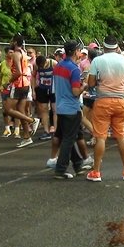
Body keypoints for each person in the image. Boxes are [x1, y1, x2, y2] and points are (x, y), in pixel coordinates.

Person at [85, 35, 124, 182]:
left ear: (104, 46)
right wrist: (120, 82)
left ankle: (96, 172)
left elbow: (91, 83)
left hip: (103, 101)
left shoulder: (97, 60)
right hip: (121, 101)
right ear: (117, 46)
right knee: (121, 137)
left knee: (100, 137)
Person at [52, 41, 92, 179]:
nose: (81, 53)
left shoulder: (58, 66)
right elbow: (75, 92)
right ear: (75, 52)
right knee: (69, 140)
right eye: (80, 50)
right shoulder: (74, 69)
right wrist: (84, 86)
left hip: (60, 107)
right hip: (71, 109)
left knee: (70, 136)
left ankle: (78, 165)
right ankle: (60, 170)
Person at [5, 35, 41, 148]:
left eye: (12, 41)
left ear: (15, 42)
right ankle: (26, 137)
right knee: (20, 111)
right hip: (25, 84)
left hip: (18, 84)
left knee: (8, 109)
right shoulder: (23, 53)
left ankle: (32, 120)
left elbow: (18, 72)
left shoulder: (16, 54)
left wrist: (8, 82)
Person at [33, 53, 57, 140]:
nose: (42, 68)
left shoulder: (53, 63)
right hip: (42, 89)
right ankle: (46, 131)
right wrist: (33, 90)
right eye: (41, 67)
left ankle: (56, 130)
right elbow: (33, 76)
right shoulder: (36, 65)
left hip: (53, 89)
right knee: (44, 110)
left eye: (43, 66)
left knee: (55, 110)